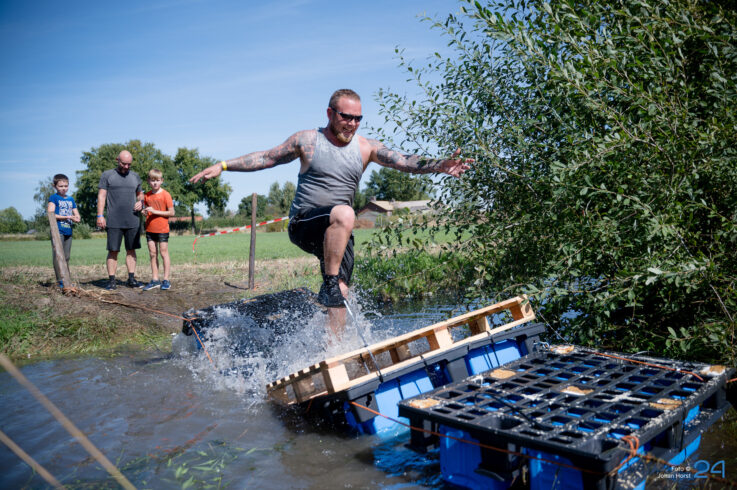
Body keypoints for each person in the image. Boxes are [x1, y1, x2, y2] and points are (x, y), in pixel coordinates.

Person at [190, 89, 471, 334]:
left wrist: (439, 164)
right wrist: (223, 166)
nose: (352, 124)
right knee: (345, 216)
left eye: (358, 118)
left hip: (339, 231)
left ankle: (333, 348)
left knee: (341, 292)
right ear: (330, 113)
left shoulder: (366, 148)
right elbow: (267, 157)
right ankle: (330, 283)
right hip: (305, 223)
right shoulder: (308, 141)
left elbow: (404, 161)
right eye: (346, 117)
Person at [97, 150, 145, 290]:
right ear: (117, 160)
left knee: (131, 250)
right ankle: (112, 281)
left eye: (129, 164)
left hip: (133, 220)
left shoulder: (135, 176)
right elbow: (101, 196)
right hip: (114, 221)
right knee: (113, 251)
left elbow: (140, 194)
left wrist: (141, 202)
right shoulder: (107, 175)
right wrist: (100, 215)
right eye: (124, 164)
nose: (126, 167)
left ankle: (131, 279)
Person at [141, 168, 175, 291]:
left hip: (162, 229)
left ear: (162, 181)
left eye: (157, 180)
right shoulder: (147, 195)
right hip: (150, 229)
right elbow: (146, 210)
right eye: (152, 180)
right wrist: (144, 212)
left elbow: (172, 212)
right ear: (148, 181)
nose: (155, 183)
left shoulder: (166, 195)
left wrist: (155, 211)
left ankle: (166, 280)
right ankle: (155, 279)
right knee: (152, 254)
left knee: (163, 253)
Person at [47, 173, 81, 288]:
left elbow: (76, 213)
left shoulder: (71, 199)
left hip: (68, 231)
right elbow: (51, 214)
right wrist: (68, 217)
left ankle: (67, 280)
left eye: (66, 186)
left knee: (66, 256)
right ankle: (60, 281)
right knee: (58, 256)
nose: (63, 188)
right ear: (55, 186)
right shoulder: (54, 198)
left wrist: (77, 218)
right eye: (61, 186)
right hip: (57, 230)